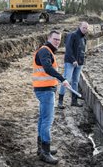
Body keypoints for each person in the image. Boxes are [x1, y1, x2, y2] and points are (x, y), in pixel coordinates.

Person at [32, 30, 70, 165]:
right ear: (49, 38)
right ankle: (45, 153)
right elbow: (47, 68)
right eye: (55, 39)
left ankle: (41, 148)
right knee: (47, 121)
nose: (57, 42)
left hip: (45, 90)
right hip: (45, 91)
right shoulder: (45, 51)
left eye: (59, 40)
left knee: (43, 119)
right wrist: (62, 78)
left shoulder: (47, 51)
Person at [58, 21, 89, 109]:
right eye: (84, 27)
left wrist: (82, 61)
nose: (85, 29)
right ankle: (60, 101)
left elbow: (82, 51)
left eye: (86, 28)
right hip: (70, 62)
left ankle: (74, 101)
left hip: (80, 63)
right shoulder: (72, 35)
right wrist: (73, 60)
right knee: (66, 80)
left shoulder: (84, 38)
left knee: (75, 81)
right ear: (79, 27)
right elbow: (68, 48)